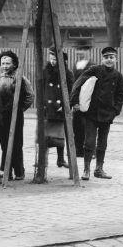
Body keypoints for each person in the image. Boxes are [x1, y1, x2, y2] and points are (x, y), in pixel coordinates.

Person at [71, 45, 123, 180]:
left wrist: (115, 111)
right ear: (102, 59)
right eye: (106, 57)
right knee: (89, 142)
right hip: (92, 113)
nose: (109, 60)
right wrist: (75, 101)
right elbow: (79, 83)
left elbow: (120, 95)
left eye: (111, 57)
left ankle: (99, 169)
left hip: (107, 114)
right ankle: (86, 170)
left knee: (102, 143)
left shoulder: (118, 76)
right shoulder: (95, 70)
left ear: (116, 59)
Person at [0, 50, 34, 181]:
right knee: (4, 143)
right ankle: (7, 171)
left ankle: (19, 171)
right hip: (2, 115)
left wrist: (20, 109)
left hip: (15, 115)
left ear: (14, 64)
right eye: (3, 63)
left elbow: (30, 96)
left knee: (16, 143)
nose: (5, 66)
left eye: (8, 63)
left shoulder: (20, 77)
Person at [37, 47, 73, 179]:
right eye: (51, 58)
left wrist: (64, 105)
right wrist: (42, 103)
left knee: (58, 135)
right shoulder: (46, 72)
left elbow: (70, 91)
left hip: (59, 108)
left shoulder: (66, 73)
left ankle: (61, 159)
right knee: (44, 135)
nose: (53, 61)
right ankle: (42, 160)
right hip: (48, 107)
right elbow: (41, 88)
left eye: (55, 59)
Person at [71, 48, 92, 159]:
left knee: (88, 126)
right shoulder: (75, 65)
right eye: (78, 50)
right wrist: (74, 102)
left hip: (87, 99)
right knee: (77, 126)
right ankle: (78, 150)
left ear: (87, 52)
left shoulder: (92, 66)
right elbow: (73, 85)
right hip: (76, 100)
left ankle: (89, 151)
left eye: (82, 50)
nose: (80, 52)